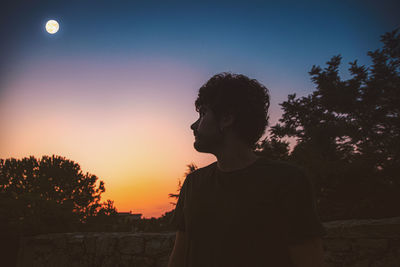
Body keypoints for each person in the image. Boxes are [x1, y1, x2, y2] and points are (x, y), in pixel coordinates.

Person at [167, 72, 327, 267]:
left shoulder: (287, 181)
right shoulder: (193, 183)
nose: (193, 125)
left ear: (227, 118)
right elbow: (179, 257)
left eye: (202, 113)